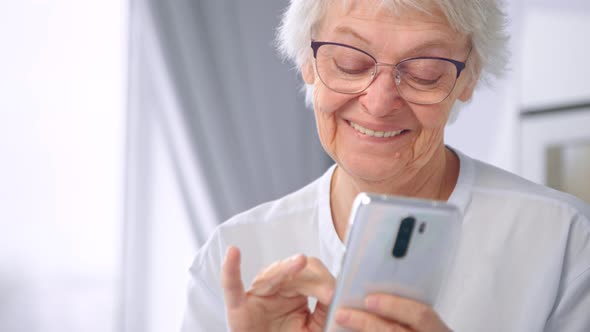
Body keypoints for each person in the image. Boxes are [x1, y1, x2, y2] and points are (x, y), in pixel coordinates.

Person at [181, 0, 590, 331]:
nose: (378, 103)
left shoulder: (564, 240)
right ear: (308, 64)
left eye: (424, 73)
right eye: (349, 63)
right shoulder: (232, 256)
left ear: (468, 80)